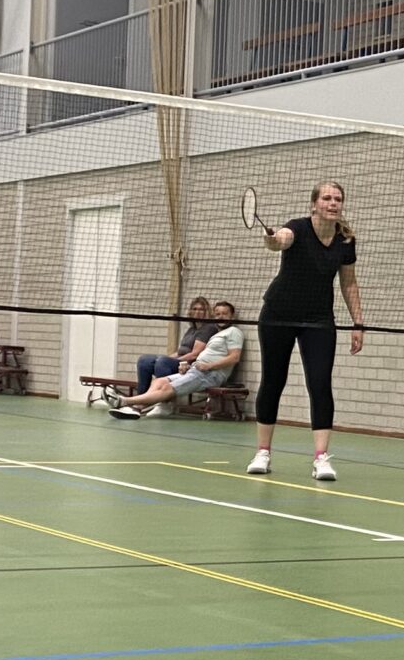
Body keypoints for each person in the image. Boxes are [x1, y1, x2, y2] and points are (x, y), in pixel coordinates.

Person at [247, 181, 364, 483]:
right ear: (314, 204)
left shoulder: (345, 240)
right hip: (278, 315)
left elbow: (348, 283)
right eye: (326, 198)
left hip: (318, 319)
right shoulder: (296, 227)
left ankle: (321, 458)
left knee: (320, 383)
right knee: (274, 380)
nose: (332, 203)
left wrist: (358, 322)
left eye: (338, 198)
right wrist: (271, 239)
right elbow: (280, 241)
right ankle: (263, 451)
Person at [110, 301, 243, 419]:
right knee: (159, 381)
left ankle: (126, 401)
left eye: (225, 314)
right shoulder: (217, 334)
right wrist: (188, 366)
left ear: (232, 316)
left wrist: (209, 366)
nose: (221, 317)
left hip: (211, 374)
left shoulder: (234, 332)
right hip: (196, 371)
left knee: (167, 386)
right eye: (218, 314)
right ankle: (137, 408)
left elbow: (234, 357)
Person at [133, 297, 219, 395]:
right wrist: (167, 358)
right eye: (194, 309)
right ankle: (141, 397)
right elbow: (179, 352)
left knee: (162, 362)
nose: (197, 312)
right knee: (145, 360)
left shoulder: (208, 328)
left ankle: (162, 399)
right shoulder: (192, 329)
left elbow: (195, 354)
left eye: (201, 309)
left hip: (190, 365)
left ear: (206, 312)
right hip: (181, 360)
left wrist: (174, 360)